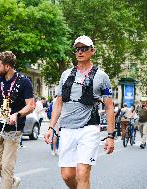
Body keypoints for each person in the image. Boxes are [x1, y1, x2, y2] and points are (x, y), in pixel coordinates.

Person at [44, 35, 115, 189]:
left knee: (82, 172)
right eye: (77, 49)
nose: (80, 52)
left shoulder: (101, 76)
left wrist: (110, 136)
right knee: (67, 175)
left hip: (89, 128)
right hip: (67, 128)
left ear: (92, 51)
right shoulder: (66, 74)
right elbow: (58, 103)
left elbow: (109, 107)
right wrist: (51, 127)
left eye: (84, 49)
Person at [0, 51, 35, 189]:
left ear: (7, 66)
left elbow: (31, 105)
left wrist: (17, 115)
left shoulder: (24, 81)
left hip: (13, 128)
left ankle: (8, 182)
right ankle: (12, 181)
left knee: (7, 167)